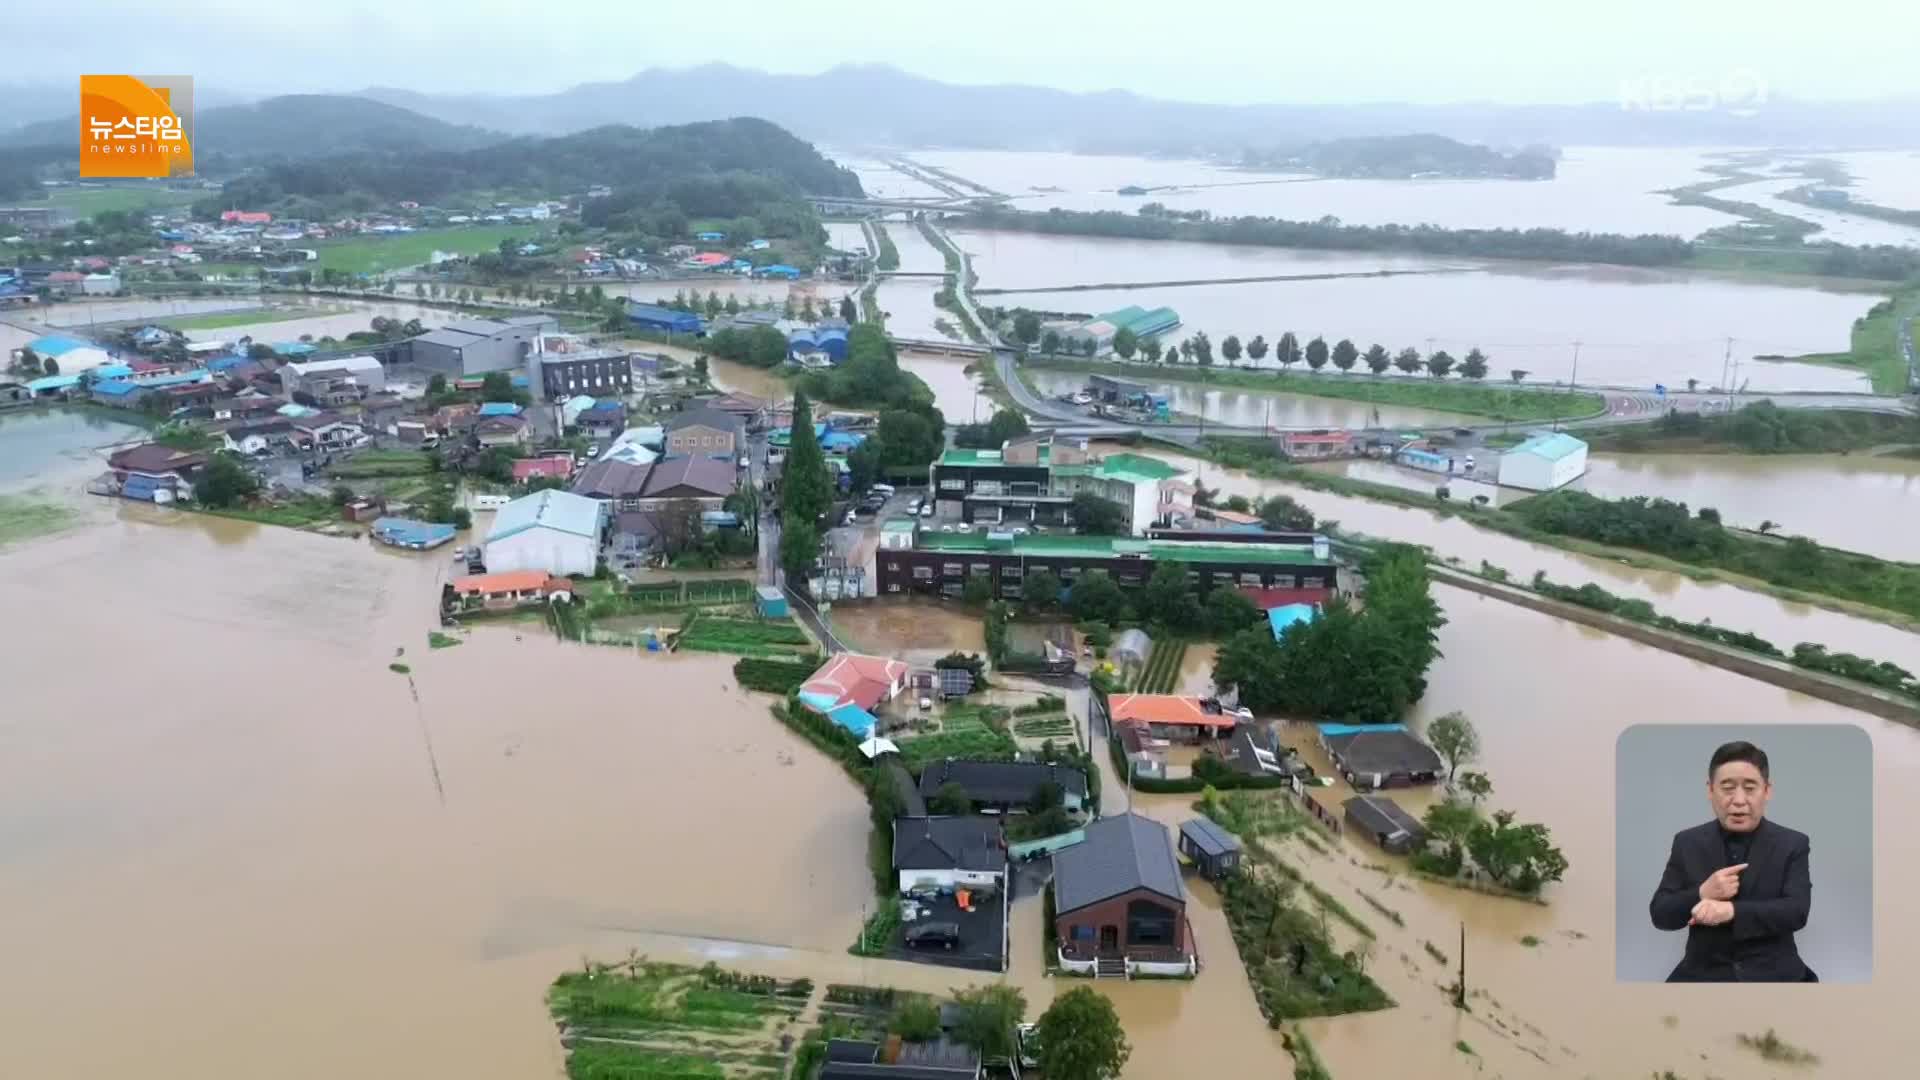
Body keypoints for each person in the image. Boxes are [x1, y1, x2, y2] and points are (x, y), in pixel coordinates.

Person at [1649, 740, 1816, 982]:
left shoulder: (1793, 843)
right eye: (1727, 788)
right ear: (1710, 790)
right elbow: (1660, 914)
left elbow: (1797, 911)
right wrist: (1702, 892)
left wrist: (1731, 911)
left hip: (1775, 974)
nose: (1738, 800)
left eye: (1750, 788)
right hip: (1703, 975)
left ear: (1767, 791)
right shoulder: (1687, 842)